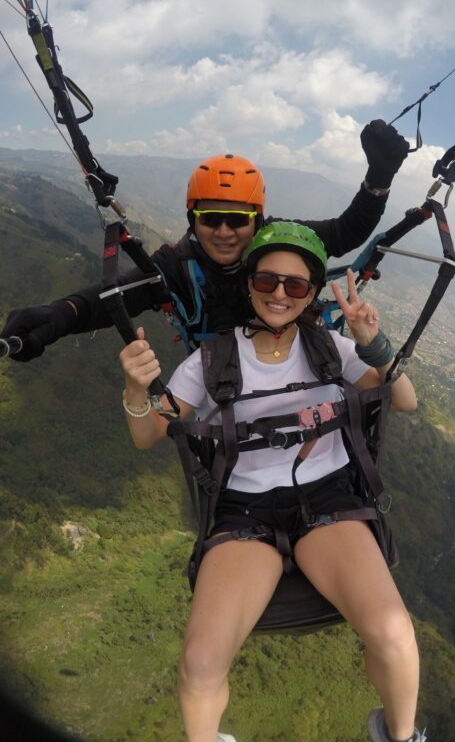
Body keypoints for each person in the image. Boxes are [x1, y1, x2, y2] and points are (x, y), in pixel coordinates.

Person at [119, 221, 424, 742]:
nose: (280, 294)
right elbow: (151, 433)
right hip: (244, 510)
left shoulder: (331, 347)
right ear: (250, 286)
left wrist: (373, 344)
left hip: (328, 499)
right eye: (267, 282)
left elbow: (402, 399)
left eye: (296, 285)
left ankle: (400, 736)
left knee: (394, 634)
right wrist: (134, 387)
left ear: (309, 295)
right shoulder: (212, 360)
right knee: (200, 662)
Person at [1, 120, 409, 359]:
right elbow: (114, 296)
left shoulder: (280, 242)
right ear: (192, 220)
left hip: (291, 359)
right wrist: (60, 315)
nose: (225, 232)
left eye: (237, 219)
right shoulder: (177, 266)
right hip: (223, 375)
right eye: (210, 219)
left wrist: (379, 179)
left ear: (259, 220)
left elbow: (346, 232)